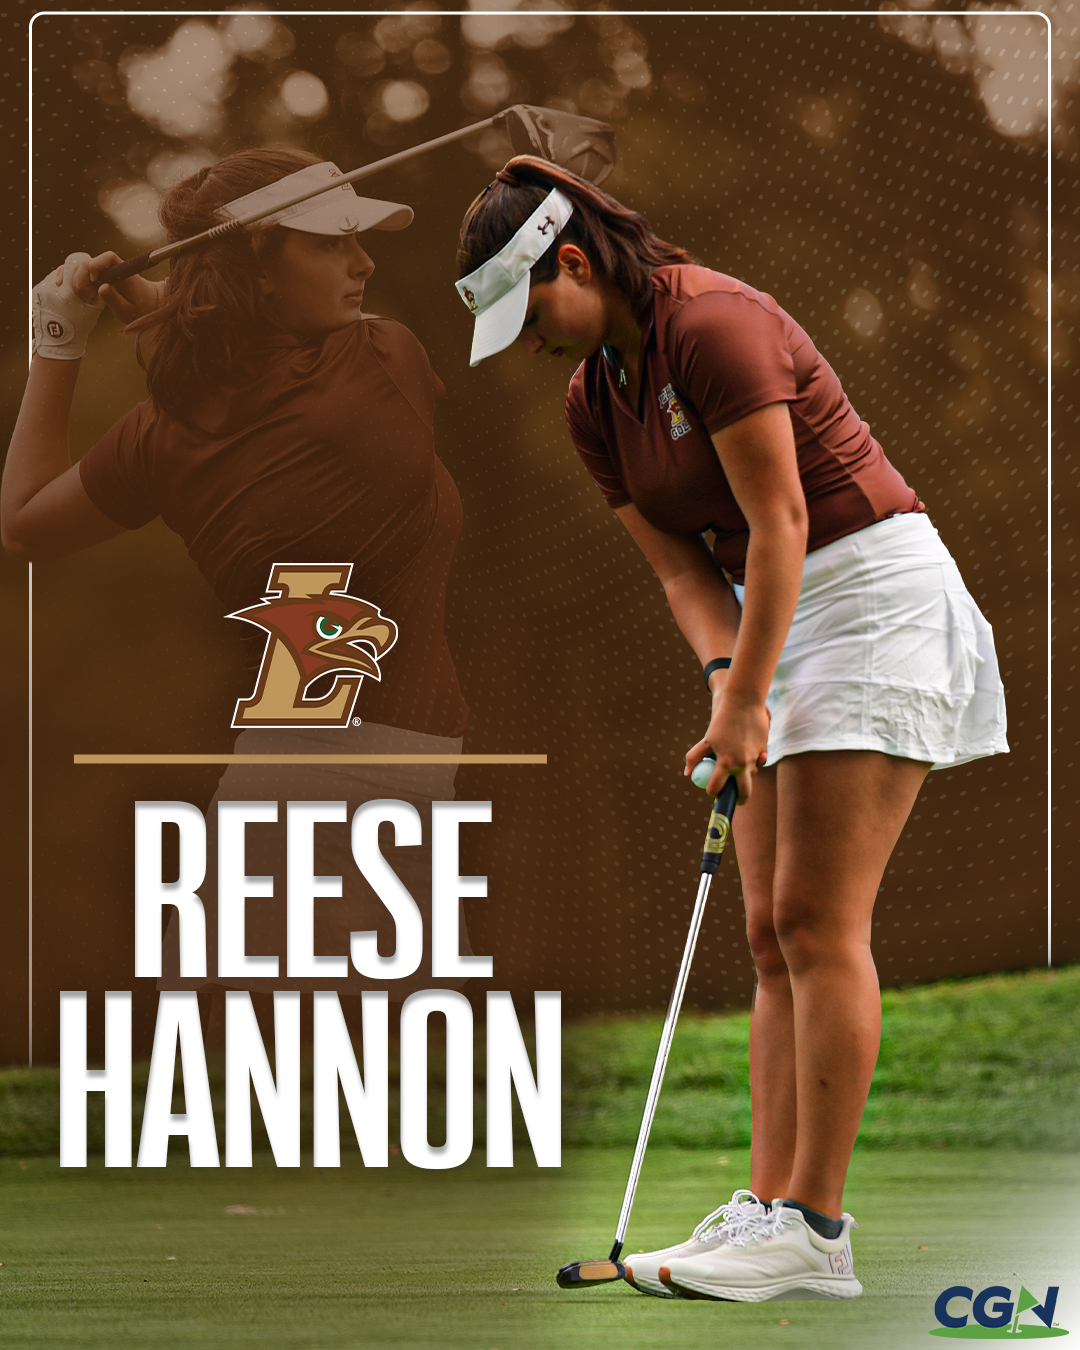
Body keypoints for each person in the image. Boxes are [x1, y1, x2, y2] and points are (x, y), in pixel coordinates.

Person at [453, 157, 1007, 1303]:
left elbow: (781, 517)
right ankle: (767, 1212)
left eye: (533, 313)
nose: (530, 342)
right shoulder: (591, 401)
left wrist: (751, 697)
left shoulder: (715, 325)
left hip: (869, 597)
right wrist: (728, 685)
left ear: (573, 263)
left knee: (816, 918)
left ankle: (814, 1225)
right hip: (768, 618)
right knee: (766, 931)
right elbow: (681, 574)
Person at [4, 149, 473, 1031]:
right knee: (342, 1095)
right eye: (331, 243)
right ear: (255, 259)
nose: (363, 262)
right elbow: (258, 373)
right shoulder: (383, 363)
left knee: (290, 1095)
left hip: (294, 788)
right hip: (354, 801)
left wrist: (57, 340)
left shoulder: (162, 435)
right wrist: (165, 306)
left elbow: (24, 521)